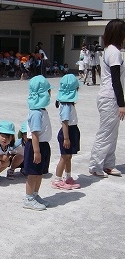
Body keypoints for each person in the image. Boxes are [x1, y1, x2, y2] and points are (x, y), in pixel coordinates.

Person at [89, 19, 125, 178]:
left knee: (112, 132)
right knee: (105, 133)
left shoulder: (110, 50)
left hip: (109, 97)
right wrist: (121, 104)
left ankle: (109, 164)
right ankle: (95, 165)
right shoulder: (114, 52)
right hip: (110, 98)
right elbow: (115, 80)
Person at [23, 75, 52, 211]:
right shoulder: (35, 112)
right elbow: (34, 133)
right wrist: (36, 151)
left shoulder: (41, 110)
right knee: (33, 174)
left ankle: (35, 195)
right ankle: (28, 198)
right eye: (48, 92)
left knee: (40, 173)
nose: (50, 94)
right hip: (36, 146)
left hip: (43, 145)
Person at [52, 74, 81, 190]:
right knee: (64, 157)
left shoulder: (68, 104)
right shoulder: (66, 105)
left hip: (72, 130)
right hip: (67, 132)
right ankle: (57, 180)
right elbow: (64, 122)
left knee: (69, 156)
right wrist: (66, 138)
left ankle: (68, 177)